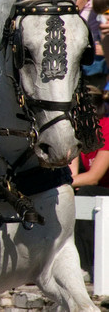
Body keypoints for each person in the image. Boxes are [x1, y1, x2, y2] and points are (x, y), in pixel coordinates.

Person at [69, 85, 109, 278]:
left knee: (84, 193)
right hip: (96, 192)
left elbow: (93, 178)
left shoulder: (107, 128)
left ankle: (88, 265)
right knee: (66, 195)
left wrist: (67, 183)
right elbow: (71, 173)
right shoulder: (80, 133)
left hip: (102, 190)